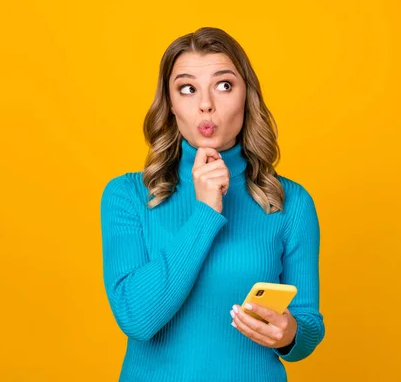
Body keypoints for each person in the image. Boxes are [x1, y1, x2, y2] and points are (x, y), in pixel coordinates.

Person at [100, 27, 325, 381]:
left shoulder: (291, 203)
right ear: (171, 105)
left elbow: (308, 324)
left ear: (246, 96)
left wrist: (289, 334)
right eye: (187, 89)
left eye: (224, 85)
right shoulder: (128, 196)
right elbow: (136, 318)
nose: (206, 103)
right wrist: (205, 213)